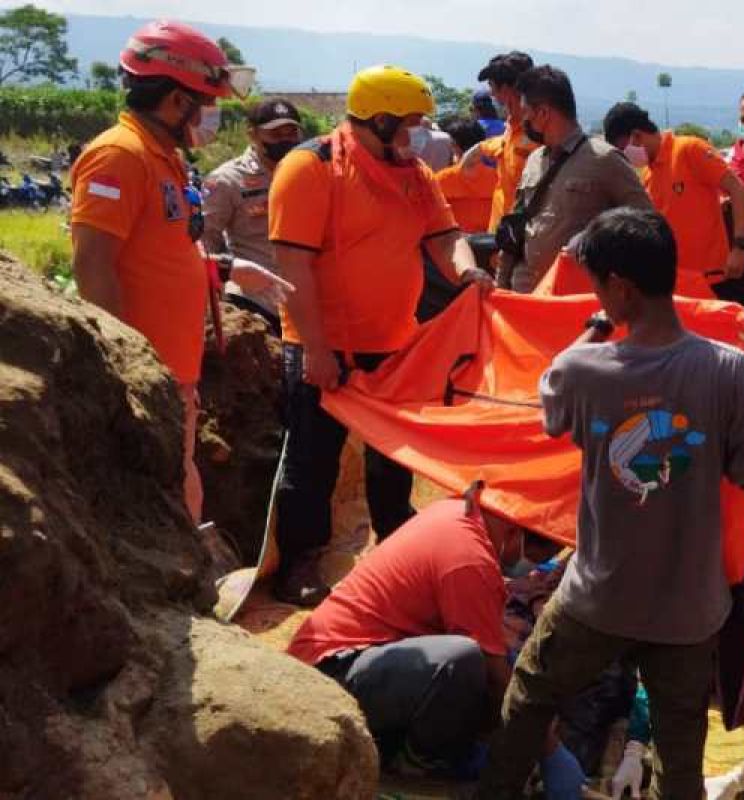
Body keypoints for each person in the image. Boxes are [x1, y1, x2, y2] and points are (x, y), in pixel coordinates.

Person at [477, 208, 744, 799]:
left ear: (618, 287)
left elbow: (553, 405)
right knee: (681, 745)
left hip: (600, 598)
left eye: (597, 284)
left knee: (531, 697)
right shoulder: (730, 371)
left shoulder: (582, 369)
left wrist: (590, 332)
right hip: (689, 608)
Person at [268, 65, 494, 607]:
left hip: (395, 342)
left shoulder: (412, 172)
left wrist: (467, 271)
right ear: (381, 117)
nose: (418, 134)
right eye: (411, 123)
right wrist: (316, 350)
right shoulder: (311, 167)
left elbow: (446, 236)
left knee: (394, 454)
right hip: (324, 344)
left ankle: (396, 540)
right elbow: (291, 268)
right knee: (312, 460)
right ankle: (301, 559)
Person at [69, 20, 269, 524]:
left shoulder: (164, 160)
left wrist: (221, 267)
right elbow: (94, 264)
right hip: (144, 374)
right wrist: (123, 371)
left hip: (170, 371)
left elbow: (158, 250)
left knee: (180, 482)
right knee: (163, 500)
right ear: (178, 101)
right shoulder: (119, 156)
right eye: (208, 103)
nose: (212, 117)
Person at [287, 489, 576, 780]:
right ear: (516, 533)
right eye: (536, 558)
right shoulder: (470, 559)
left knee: (493, 660)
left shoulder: (458, 512)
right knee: (460, 661)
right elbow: (496, 676)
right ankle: (418, 766)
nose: (531, 569)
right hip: (329, 674)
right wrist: (549, 751)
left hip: (357, 660)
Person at [497, 66, 651, 293]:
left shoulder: (604, 159)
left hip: (575, 302)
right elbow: (516, 226)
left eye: (526, 112)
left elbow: (647, 223)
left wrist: (594, 236)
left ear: (543, 114)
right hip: (525, 296)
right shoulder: (534, 160)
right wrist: (499, 286)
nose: (523, 120)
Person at [602, 101, 744, 294]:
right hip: (673, 285)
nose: (624, 157)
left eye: (623, 150)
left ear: (637, 136)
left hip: (710, 279)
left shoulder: (690, 150)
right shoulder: (647, 174)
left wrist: (739, 248)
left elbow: (739, 191)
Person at [201, 98, 305, 334]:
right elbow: (207, 239)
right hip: (255, 306)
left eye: (291, 133)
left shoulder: (311, 173)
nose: (285, 140)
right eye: (275, 134)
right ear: (253, 135)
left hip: (305, 305)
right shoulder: (227, 180)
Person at [472, 51, 537, 231]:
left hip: (520, 238)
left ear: (507, 89)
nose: (491, 93)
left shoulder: (538, 133)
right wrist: (481, 148)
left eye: (492, 86)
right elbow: (505, 145)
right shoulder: (511, 126)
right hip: (498, 231)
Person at [436, 118, 496, 234]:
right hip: (490, 244)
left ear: (454, 145)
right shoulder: (497, 177)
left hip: (456, 246)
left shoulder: (440, 179)